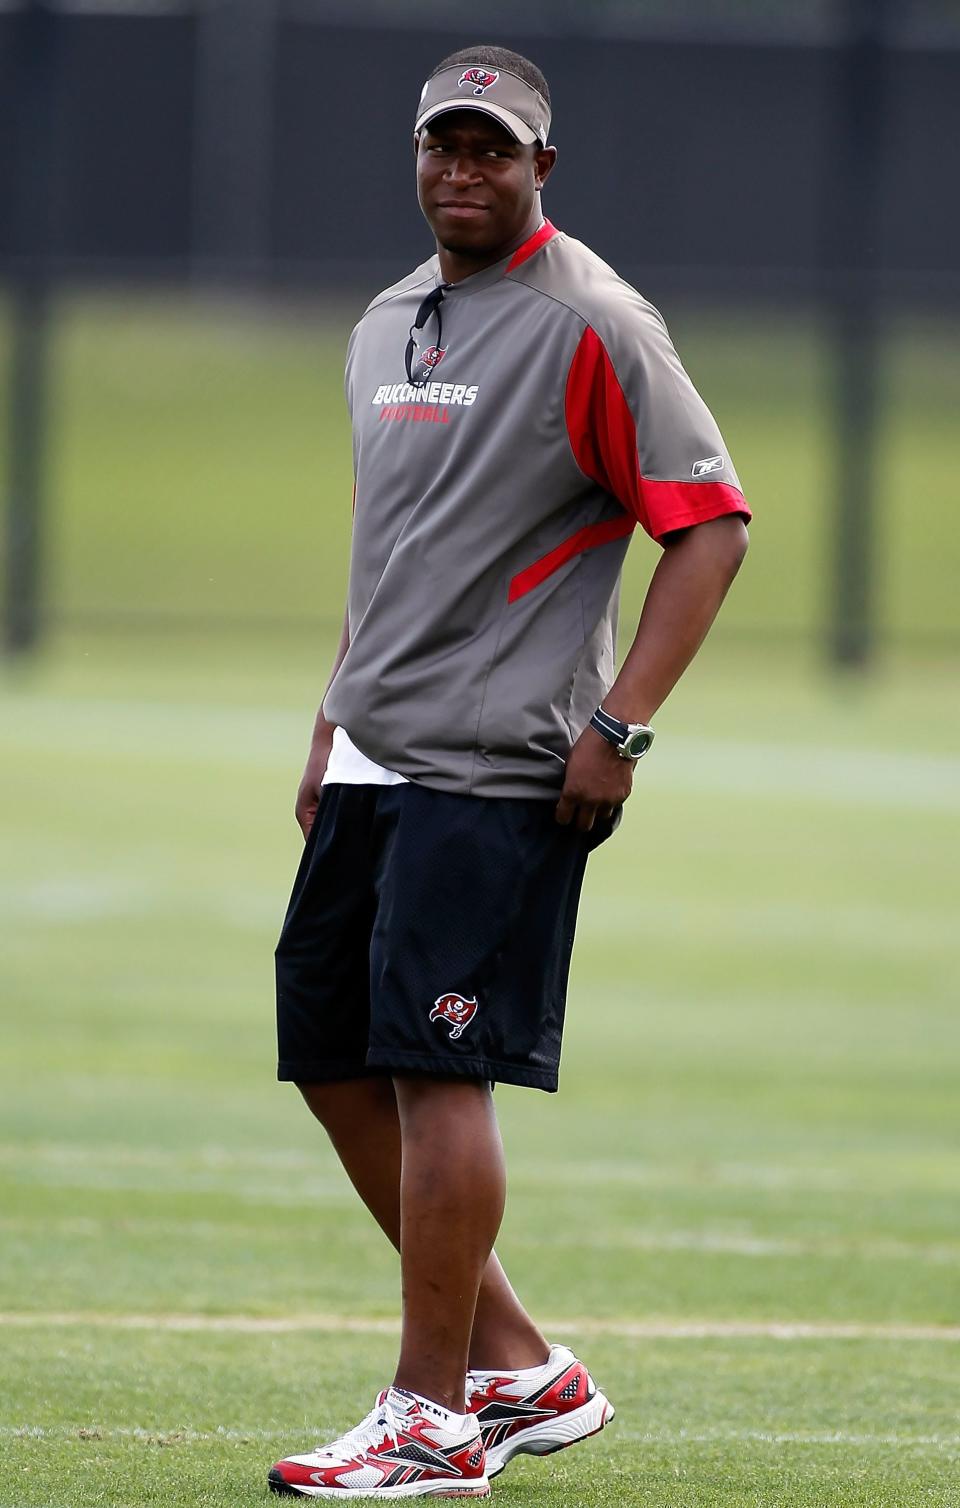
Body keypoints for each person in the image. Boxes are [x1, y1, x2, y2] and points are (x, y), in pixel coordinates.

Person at [270, 43, 750, 1500]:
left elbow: (710, 524)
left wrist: (621, 728)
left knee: (436, 1064)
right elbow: (388, 544)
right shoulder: (387, 322)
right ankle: (524, 1370)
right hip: (374, 748)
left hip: (501, 759)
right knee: (333, 1059)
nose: (464, 172)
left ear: (544, 166)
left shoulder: (593, 321)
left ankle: (432, 1421)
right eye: (444, 147)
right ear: (417, 159)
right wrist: (328, 710)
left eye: (495, 150)